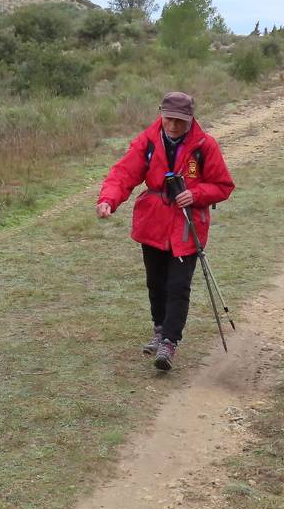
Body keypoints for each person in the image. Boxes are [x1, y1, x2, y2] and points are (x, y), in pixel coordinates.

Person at [96, 91, 235, 371]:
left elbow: (223, 186)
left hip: (187, 226)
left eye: (180, 121)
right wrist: (108, 199)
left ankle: (169, 341)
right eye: (169, 119)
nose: (173, 126)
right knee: (155, 282)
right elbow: (124, 174)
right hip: (153, 223)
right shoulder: (147, 142)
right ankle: (159, 330)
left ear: (191, 119)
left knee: (178, 285)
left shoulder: (205, 146)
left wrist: (196, 194)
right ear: (161, 114)